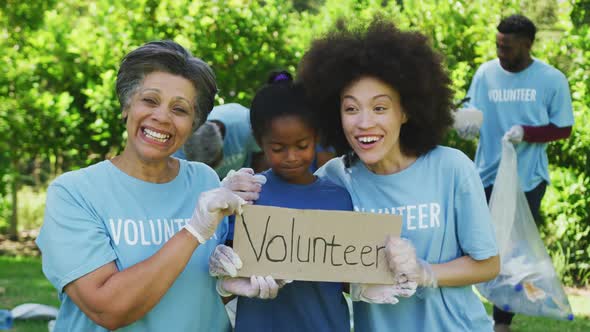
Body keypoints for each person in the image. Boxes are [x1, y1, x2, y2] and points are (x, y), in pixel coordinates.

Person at [296, 18, 500, 331]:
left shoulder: (452, 168)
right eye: (351, 109)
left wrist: (425, 273)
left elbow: (488, 265)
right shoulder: (334, 178)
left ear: (405, 112)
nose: (364, 123)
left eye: (380, 108)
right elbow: (312, 259)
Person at [35, 40, 254, 331]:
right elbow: (108, 309)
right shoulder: (74, 193)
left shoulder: (205, 180)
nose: (162, 117)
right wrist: (193, 233)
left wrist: (230, 288)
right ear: (127, 105)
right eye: (149, 100)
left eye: (180, 109)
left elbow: (197, 293)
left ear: (194, 124)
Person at [208, 71, 354, 331]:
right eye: (278, 148)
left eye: (301, 145)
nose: (291, 156)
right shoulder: (248, 196)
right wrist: (226, 277)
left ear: (316, 137)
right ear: (259, 142)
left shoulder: (339, 198)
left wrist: (377, 277)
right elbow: (224, 284)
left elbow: (349, 278)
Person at [455, 14, 574, 331]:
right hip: (485, 174)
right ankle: (462, 311)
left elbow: (563, 128)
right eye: (497, 45)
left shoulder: (551, 80)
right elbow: (471, 111)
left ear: (528, 44)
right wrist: (464, 124)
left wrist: (528, 132)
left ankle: (500, 323)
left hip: (527, 179)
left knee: (512, 254)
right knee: (472, 244)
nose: (500, 53)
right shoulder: (485, 73)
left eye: (507, 47)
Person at [175, 103, 267, 178]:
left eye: (213, 163)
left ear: (222, 137)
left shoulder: (247, 125)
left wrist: (255, 182)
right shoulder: (175, 146)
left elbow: (261, 154)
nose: (211, 170)